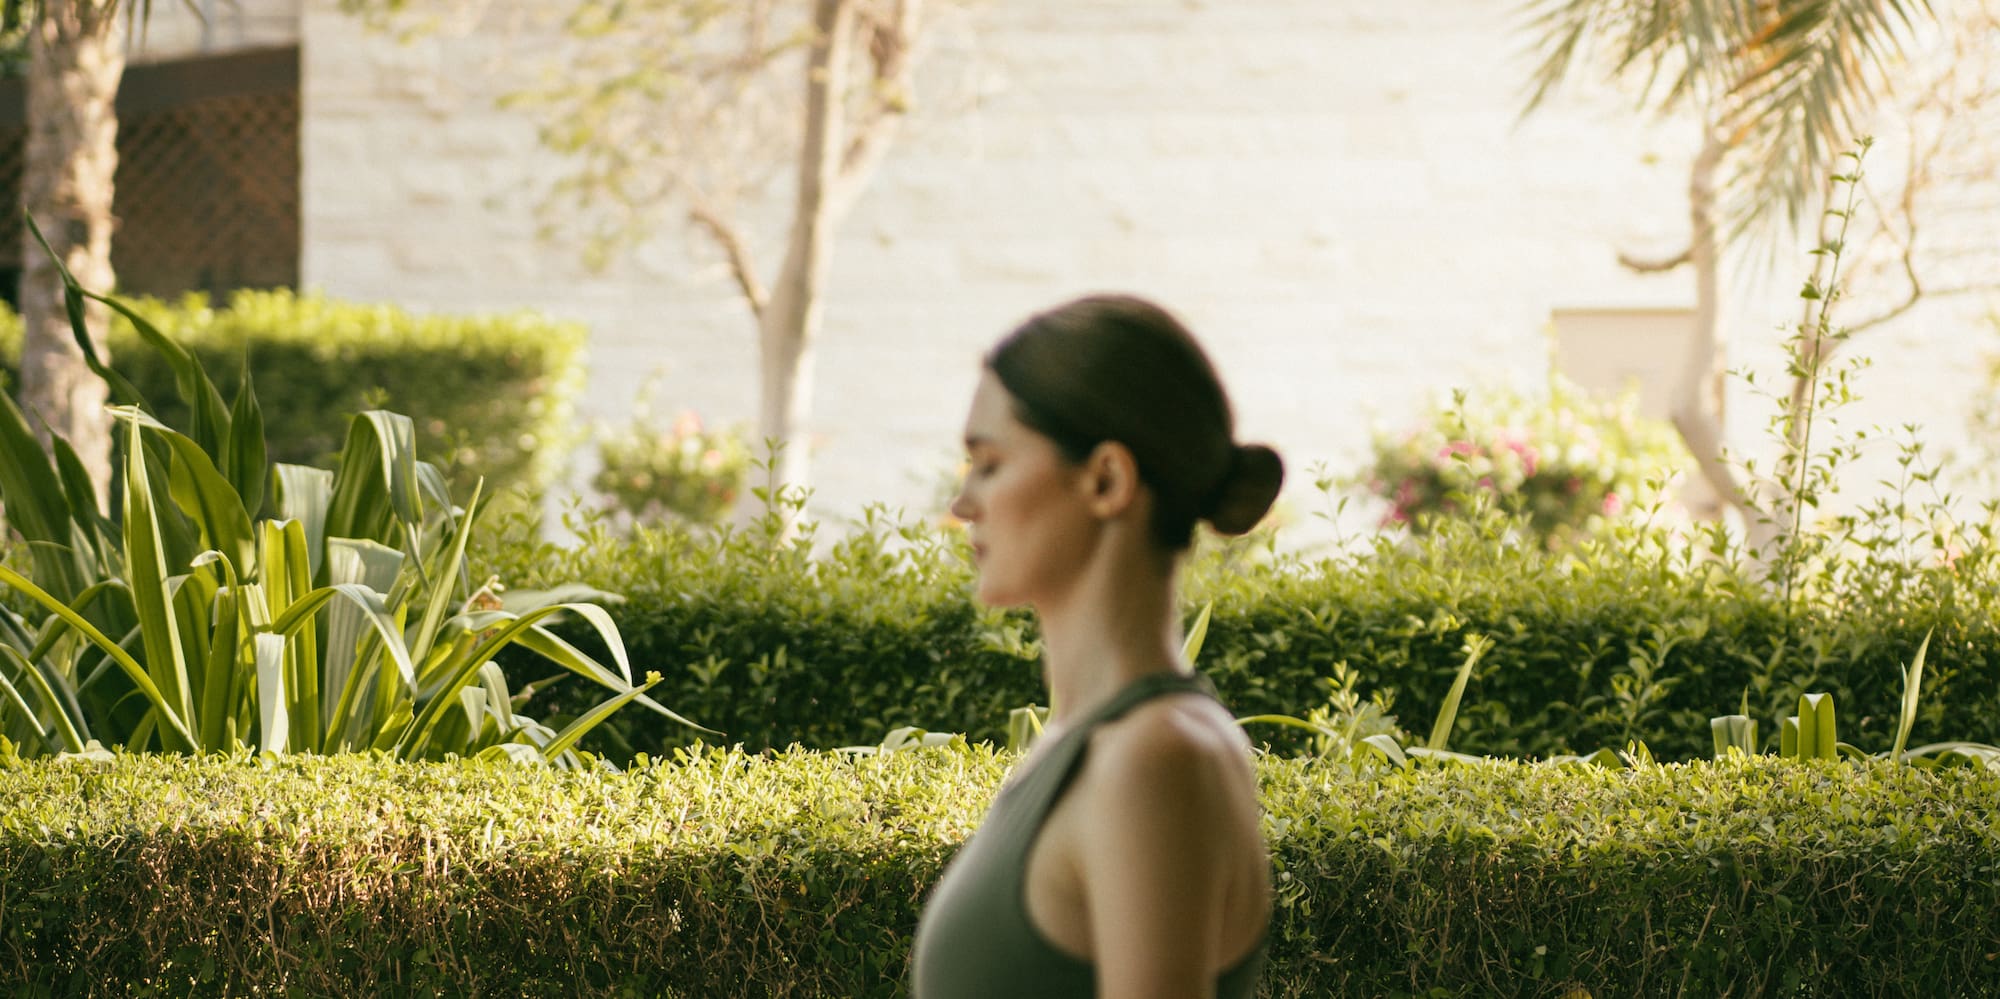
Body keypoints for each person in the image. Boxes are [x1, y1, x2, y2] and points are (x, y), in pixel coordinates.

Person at [910, 294, 1281, 999]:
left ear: (1106, 479)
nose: (962, 504)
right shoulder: (1089, 741)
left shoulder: (1154, 758)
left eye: (989, 463)